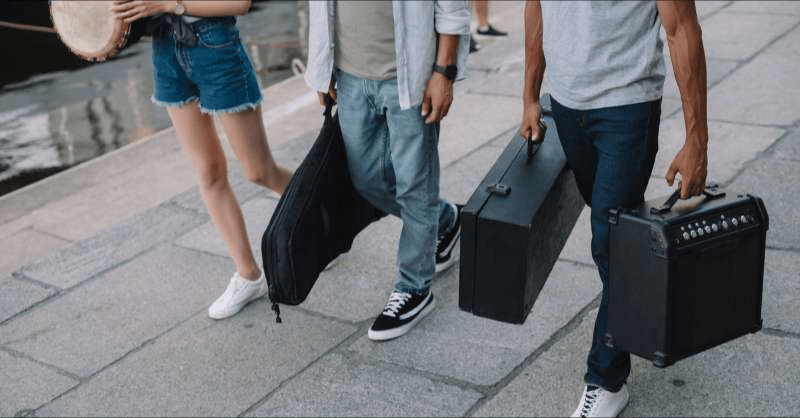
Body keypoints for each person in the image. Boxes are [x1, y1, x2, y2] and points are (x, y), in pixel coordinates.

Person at [519, 1, 709, 417]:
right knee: (615, 233)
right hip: (567, 106)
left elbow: (681, 29)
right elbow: (536, 7)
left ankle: (607, 379)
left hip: (627, 106)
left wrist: (698, 140)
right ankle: (648, 304)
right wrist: (530, 96)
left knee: (610, 242)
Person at [112, 0, 293, 320]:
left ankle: (324, 220)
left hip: (216, 48)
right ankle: (249, 275)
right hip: (166, 47)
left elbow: (239, 4)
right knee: (208, 171)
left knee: (258, 171)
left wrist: (170, 3)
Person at [305, 1, 470, 341]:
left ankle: (415, 287)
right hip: (350, 76)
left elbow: (453, 4)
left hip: (410, 75)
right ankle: (445, 219)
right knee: (365, 179)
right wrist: (322, 65)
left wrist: (444, 72)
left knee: (414, 185)